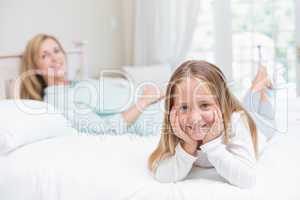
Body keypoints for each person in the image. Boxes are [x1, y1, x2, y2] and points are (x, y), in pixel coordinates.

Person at [148, 60, 275, 188]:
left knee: (259, 115)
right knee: (247, 105)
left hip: (261, 128)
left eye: (204, 105)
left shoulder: (236, 121)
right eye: (184, 107)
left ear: (222, 104)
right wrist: (188, 146)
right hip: (241, 113)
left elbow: (248, 179)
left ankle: (260, 85)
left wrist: (212, 145)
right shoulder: (178, 128)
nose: (194, 118)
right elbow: (162, 175)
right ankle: (257, 85)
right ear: (171, 110)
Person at [20, 33, 164, 135]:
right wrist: (144, 101)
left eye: (57, 51)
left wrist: (156, 93)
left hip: (160, 102)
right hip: (153, 118)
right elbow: (105, 129)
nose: (54, 58)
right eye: (44, 55)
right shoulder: (57, 99)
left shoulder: (80, 83)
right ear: (35, 67)